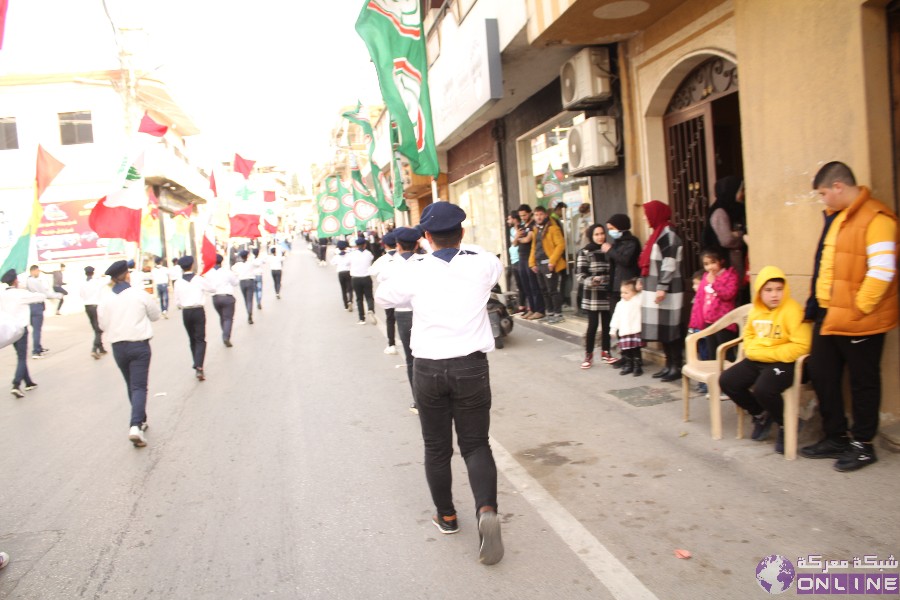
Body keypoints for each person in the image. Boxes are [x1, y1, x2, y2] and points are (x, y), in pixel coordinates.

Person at [375, 202, 504, 566]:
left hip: (429, 370)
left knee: (436, 448)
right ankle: (486, 509)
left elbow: (384, 296)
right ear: (462, 233)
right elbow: (489, 259)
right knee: (476, 445)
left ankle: (446, 516)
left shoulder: (415, 270)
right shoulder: (482, 264)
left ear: (426, 237)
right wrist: (463, 247)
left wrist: (408, 260)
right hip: (471, 367)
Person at [800, 161, 898, 471]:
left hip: (859, 317)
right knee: (823, 374)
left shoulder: (877, 218)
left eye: (823, 193)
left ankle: (863, 444)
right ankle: (836, 436)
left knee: (862, 382)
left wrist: (860, 309)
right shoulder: (837, 217)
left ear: (839, 187)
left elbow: (883, 271)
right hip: (830, 315)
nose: (822, 199)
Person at [719, 266, 812, 453]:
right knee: (727, 380)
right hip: (759, 359)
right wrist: (762, 353)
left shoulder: (793, 310)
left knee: (764, 389)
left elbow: (802, 346)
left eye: (779, 289)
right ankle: (760, 414)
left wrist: (769, 353)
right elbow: (749, 339)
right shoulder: (756, 311)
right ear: (760, 291)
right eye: (768, 290)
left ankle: (787, 424)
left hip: (786, 363)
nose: (774, 295)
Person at [98, 260, 161, 447]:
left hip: (118, 346)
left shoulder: (106, 299)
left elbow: (102, 325)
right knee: (139, 387)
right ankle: (135, 426)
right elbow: (155, 315)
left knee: (131, 385)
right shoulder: (139, 294)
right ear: (127, 275)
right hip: (139, 345)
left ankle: (140, 419)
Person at [375, 227, 426, 412]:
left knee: (411, 359)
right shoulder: (425, 261)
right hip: (424, 313)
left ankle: (418, 401)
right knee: (428, 354)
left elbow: (380, 281)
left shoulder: (389, 265)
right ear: (416, 244)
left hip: (403, 314)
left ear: (397, 245)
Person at [639, 200, 685, 382]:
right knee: (663, 329)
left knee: (671, 328)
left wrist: (662, 287)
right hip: (656, 289)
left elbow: (669, 263)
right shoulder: (657, 234)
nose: (644, 217)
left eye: (646, 213)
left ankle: (676, 365)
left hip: (667, 290)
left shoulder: (668, 234)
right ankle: (668, 365)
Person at [688, 247, 740, 360]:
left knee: (726, 353)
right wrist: (696, 321)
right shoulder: (706, 277)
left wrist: (715, 283)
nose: (710, 267)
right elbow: (699, 299)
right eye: (706, 264)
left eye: (713, 262)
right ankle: (715, 377)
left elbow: (728, 294)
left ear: (721, 261)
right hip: (709, 321)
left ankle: (728, 377)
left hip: (724, 323)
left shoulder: (730, 276)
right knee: (712, 353)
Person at [603, 213, 641, 364]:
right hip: (614, 287)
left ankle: (634, 357)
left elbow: (625, 260)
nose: (610, 232)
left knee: (630, 323)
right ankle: (624, 355)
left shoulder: (632, 242)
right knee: (618, 322)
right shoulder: (617, 242)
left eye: (612, 228)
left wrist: (610, 250)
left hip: (628, 288)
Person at [1, 269, 43, 397]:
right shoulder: (20, 293)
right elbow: (41, 296)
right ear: (15, 281)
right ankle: (16, 384)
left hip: (9, 331)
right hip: (20, 329)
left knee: (20, 355)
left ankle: (28, 382)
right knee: (22, 357)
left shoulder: (2, 294)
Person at [575, 224, 612, 368]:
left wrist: (606, 279)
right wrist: (592, 281)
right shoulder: (584, 252)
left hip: (607, 292)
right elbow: (580, 275)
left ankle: (606, 352)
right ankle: (588, 355)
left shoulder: (609, 249)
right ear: (591, 236)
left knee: (607, 325)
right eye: (597, 234)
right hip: (593, 294)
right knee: (593, 325)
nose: (600, 237)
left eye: (602, 233)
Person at [173, 256, 214, 381]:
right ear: (192, 265)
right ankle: (199, 366)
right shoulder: (198, 279)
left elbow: (177, 303)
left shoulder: (178, 283)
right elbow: (212, 289)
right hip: (198, 310)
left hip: (186, 312)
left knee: (192, 339)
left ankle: (197, 363)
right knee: (200, 339)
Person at [703, 176, 748, 287]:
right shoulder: (720, 212)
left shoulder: (734, 209)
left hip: (734, 260)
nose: (743, 193)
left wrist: (736, 234)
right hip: (726, 263)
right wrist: (742, 236)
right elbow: (727, 240)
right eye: (740, 190)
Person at [529, 205, 566, 324]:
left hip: (549, 264)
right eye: (536, 215)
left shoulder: (553, 228)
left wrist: (552, 261)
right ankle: (549, 312)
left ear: (545, 215)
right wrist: (532, 263)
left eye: (540, 214)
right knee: (543, 289)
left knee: (552, 289)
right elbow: (534, 247)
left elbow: (560, 245)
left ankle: (558, 313)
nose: (538, 217)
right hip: (539, 264)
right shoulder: (536, 229)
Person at [514, 204, 544, 320]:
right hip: (521, 258)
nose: (523, 218)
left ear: (530, 213)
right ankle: (531, 309)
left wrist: (520, 238)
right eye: (521, 216)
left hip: (530, 258)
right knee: (526, 286)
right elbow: (514, 243)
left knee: (534, 285)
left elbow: (528, 239)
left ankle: (539, 309)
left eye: (525, 215)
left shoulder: (533, 225)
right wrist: (517, 236)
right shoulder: (521, 226)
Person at [370, 231, 398, 353]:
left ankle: (391, 344)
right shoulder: (403, 257)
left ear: (385, 245)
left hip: (389, 295)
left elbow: (371, 271)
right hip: (406, 294)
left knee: (390, 319)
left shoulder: (382, 259)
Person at [610, 279, 644, 376]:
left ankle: (637, 366)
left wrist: (640, 289)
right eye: (622, 292)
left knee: (636, 350)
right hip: (624, 331)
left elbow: (642, 296)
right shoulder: (620, 304)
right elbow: (616, 317)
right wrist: (613, 329)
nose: (623, 295)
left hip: (635, 331)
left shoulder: (637, 301)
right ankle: (629, 365)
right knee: (626, 350)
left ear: (634, 293)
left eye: (626, 292)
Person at [205, 254, 239, 347]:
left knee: (222, 317)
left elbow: (207, 287)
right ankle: (226, 336)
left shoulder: (208, 273)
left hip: (215, 298)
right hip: (227, 296)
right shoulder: (227, 272)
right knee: (228, 318)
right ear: (222, 261)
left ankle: (225, 332)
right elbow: (235, 283)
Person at [25, 264, 57, 358]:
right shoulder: (34, 281)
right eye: (37, 271)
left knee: (36, 329)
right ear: (33, 271)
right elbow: (44, 293)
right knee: (37, 330)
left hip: (31, 307)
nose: (38, 272)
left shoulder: (28, 280)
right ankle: (36, 351)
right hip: (37, 306)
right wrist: (58, 295)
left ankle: (38, 347)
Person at [80, 266, 107, 359]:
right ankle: (94, 349)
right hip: (96, 306)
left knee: (95, 328)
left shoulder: (83, 283)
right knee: (98, 328)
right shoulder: (97, 281)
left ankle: (101, 348)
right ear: (93, 272)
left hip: (87, 306)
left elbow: (81, 295)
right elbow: (107, 281)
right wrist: (103, 276)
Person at [350, 237, 377, 325]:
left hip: (355, 278)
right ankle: (370, 309)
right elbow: (371, 259)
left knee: (359, 299)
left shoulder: (352, 254)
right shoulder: (368, 254)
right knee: (369, 296)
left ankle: (362, 318)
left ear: (356, 246)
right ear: (365, 245)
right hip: (366, 278)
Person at [506, 211, 526, 314]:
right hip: (513, 259)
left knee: (524, 284)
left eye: (509, 218)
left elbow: (515, 243)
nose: (508, 221)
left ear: (514, 219)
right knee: (519, 284)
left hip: (520, 258)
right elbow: (514, 243)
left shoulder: (520, 228)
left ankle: (525, 306)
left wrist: (517, 236)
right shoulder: (511, 230)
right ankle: (522, 305)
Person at [232, 250, 256, 324]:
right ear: (247, 256)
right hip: (250, 281)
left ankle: (248, 312)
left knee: (246, 299)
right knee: (250, 299)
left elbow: (233, 269)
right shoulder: (250, 263)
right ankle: (250, 313)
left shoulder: (237, 265)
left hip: (242, 282)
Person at [331, 240, 353, 311]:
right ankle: (350, 301)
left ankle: (346, 305)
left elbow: (332, 263)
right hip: (348, 272)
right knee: (350, 288)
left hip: (340, 273)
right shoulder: (349, 254)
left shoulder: (337, 256)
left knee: (343, 289)